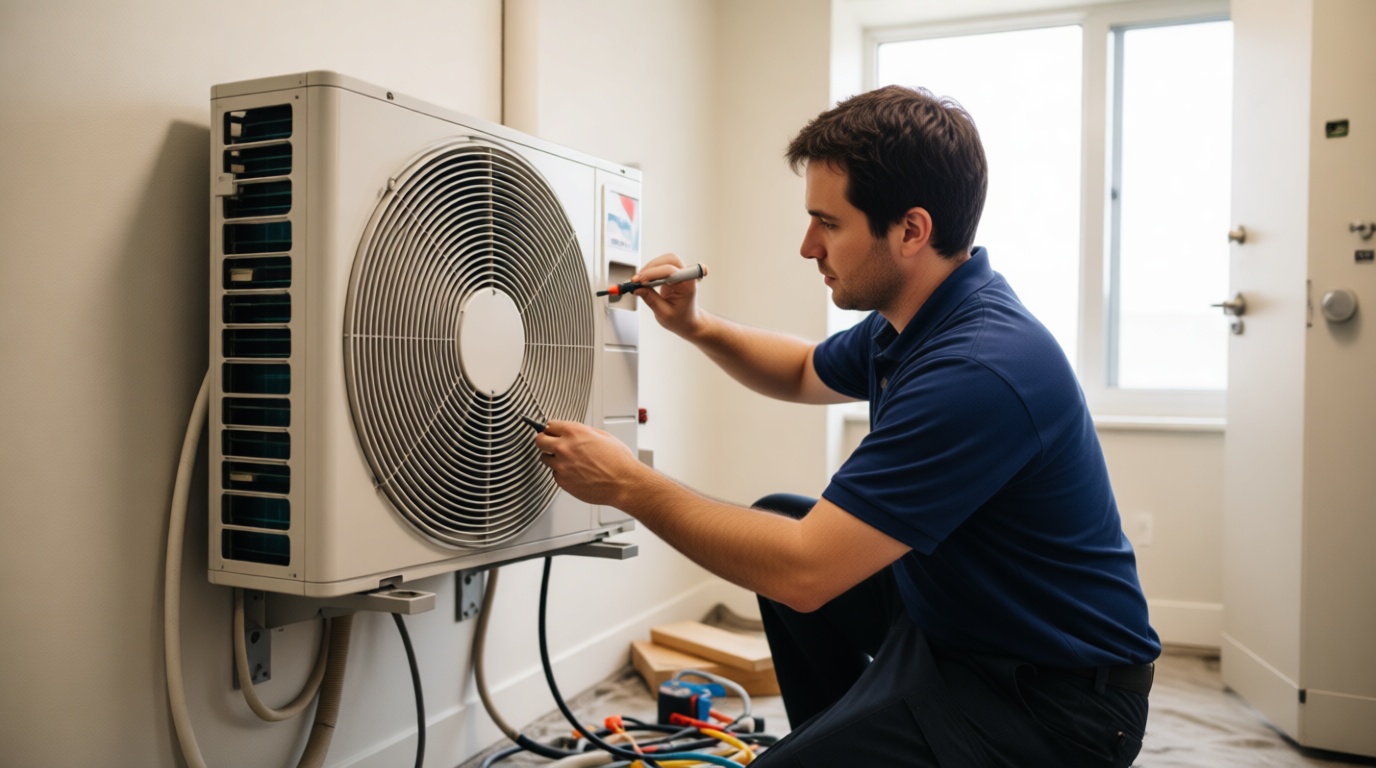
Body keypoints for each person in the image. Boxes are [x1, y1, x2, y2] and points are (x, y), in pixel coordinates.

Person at [534, 85, 1160, 767]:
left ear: (911, 230)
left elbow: (806, 570)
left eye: (827, 223)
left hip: (1052, 702)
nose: (808, 247)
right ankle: (836, 736)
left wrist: (630, 485)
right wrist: (695, 325)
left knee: (792, 561)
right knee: (777, 518)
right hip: (957, 621)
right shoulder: (920, 320)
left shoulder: (978, 370)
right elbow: (804, 369)